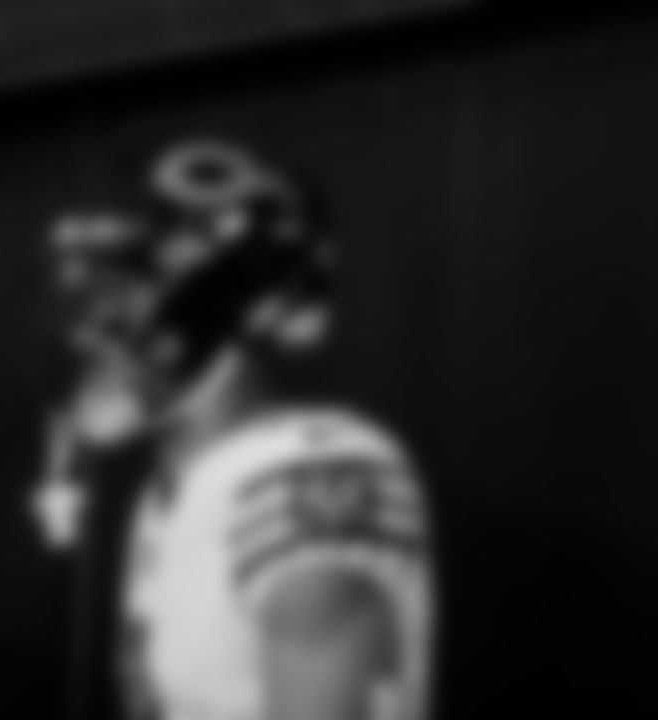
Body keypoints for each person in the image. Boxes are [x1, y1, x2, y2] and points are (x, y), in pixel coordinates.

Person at [31, 138, 436, 720]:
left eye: (120, 294)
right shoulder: (170, 494)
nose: (86, 332)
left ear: (213, 298)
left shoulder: (304, 477)